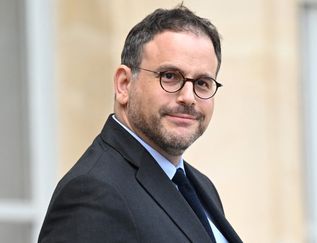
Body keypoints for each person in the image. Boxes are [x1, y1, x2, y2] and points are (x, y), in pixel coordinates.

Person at [38, 5, 242, 243]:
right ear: (124, 84)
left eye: (203, 83)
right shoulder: (93, 192)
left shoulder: (201, 186)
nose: (189, 97)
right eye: (170, 76)